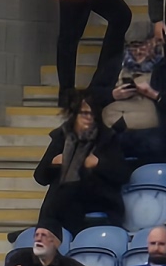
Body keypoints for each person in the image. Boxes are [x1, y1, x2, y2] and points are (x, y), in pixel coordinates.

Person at [34, 96, 131, 234]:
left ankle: (44, 230)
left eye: (92, 114)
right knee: (62, 191)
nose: (89, 118)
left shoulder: (107, 138)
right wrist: (53, 164)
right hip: (67, 199)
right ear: (74, 115)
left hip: (100, 196)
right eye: (84, 113)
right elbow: (40, 177)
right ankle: (46, 231)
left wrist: (99, 164)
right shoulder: (62, 137)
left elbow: (123, 174)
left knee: (68, 192)